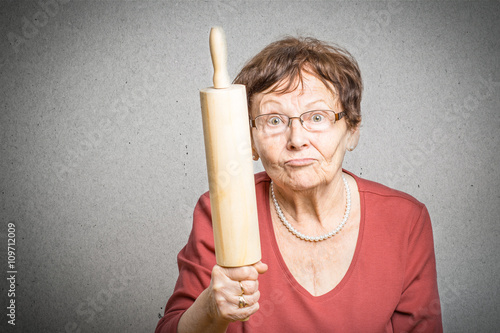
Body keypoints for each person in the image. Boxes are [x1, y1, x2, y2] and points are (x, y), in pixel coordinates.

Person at [156, 36, 442, 332]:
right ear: (250, 140)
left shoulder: (405, 220)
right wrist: (211, 310)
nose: (296, 139)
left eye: (317, 117)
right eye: (275, 121)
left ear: (352, 130)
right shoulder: (219, 210)